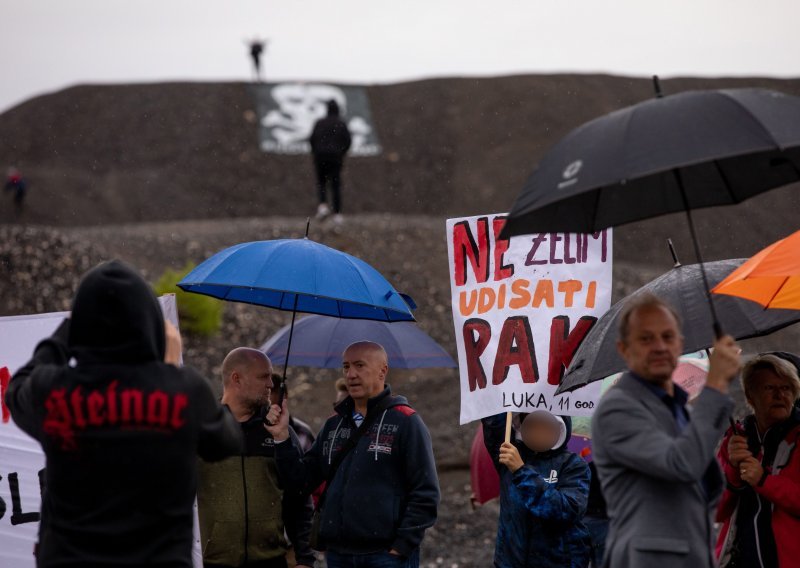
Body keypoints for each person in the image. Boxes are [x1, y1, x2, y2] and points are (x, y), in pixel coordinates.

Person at [4, 260, 242, 567]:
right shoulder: (184, 391)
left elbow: (17, 388)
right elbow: (227, 440)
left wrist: (66, 333)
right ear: (150, 323)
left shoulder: (55, 392)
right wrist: (169, 370)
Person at [591, 293, 741, 568]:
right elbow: (682, 464)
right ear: (624, 349)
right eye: (646, 339)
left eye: (668, 337)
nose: (659, 346)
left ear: (680, 345)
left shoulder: (681, 409)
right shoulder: (618, 408)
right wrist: (716, 386)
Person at [267, 341, 439, 568]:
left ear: (382, 370)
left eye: (360, 366)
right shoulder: (333, 425)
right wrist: (281, 437)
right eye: (346, 367)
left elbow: (426, 492)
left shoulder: (406, 421)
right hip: (339, 555)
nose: (351, 374)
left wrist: (402, 545)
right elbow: (300, 482)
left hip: (386, 556)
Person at [197, 349, 314, 568]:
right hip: (211, 562)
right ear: (236, 379)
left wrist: (304, 558)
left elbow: (299, 499)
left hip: (271, 561)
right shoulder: (203, 428)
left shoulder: (279, 430)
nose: (271, 384)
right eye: (263, 376)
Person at [716, 353, 800, 567]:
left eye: (786, 388)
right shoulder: (735, 439)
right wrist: (732, 474)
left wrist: (764, 481)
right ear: (750, 396)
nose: (780, 395)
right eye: (770, 388)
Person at [482, 410, 591, 568]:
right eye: (532, 425)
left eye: (546, 426)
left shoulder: (574, 465)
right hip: (511, 561)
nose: (539, 432)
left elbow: (567, 510)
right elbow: (494, 421)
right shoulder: (510, 455)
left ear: (559, 428)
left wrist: (521, 471)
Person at [309, 100, 351, 223]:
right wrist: (341, 153)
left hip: (320, 157)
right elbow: (348, 141)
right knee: (336, 185)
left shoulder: (320, 123)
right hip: (335, 157)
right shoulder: (341, 124)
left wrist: (316, 152)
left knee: (321, 182)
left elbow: (312, 139)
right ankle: (337, 214)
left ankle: (323, 206)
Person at [270, 373, 315, 453]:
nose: (270, 397)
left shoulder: (302, 432)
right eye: (268, 393)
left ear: (285, 396)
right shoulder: (252, 429)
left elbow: (308, 463)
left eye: (275, 392)